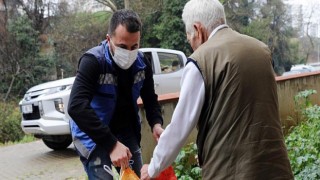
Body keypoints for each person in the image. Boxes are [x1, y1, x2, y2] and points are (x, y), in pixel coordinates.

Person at [140, 0, 294, 179]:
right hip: (276, 168)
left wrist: (152, 168)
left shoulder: (201, 60)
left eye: (189, 37)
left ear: (198, 29)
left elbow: (179, 127)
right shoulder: (261, 50)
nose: (191, 43)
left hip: (231, 172)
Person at [68, 9, 164, 180]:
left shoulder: (142, 64)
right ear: (108, 39)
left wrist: (156, 123)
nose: (129, 52)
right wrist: (112, 145)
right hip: (92, 134)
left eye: (134, 46)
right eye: (122, 47)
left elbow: (150, 98)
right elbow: (76, 106)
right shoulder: (93, 62)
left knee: (136, 177)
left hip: (125, 130)